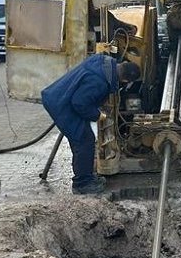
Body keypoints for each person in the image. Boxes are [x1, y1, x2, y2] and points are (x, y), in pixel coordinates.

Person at [41, 54, 142, 194]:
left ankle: (86, 176)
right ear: (124, 80)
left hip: (59, 96)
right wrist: (97, 115)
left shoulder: (102, 61)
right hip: (61, 105)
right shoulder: (99, 82)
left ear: (123, 63)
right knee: (84, 140)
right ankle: (82, 184)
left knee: (81, 137)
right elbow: (79, 103)